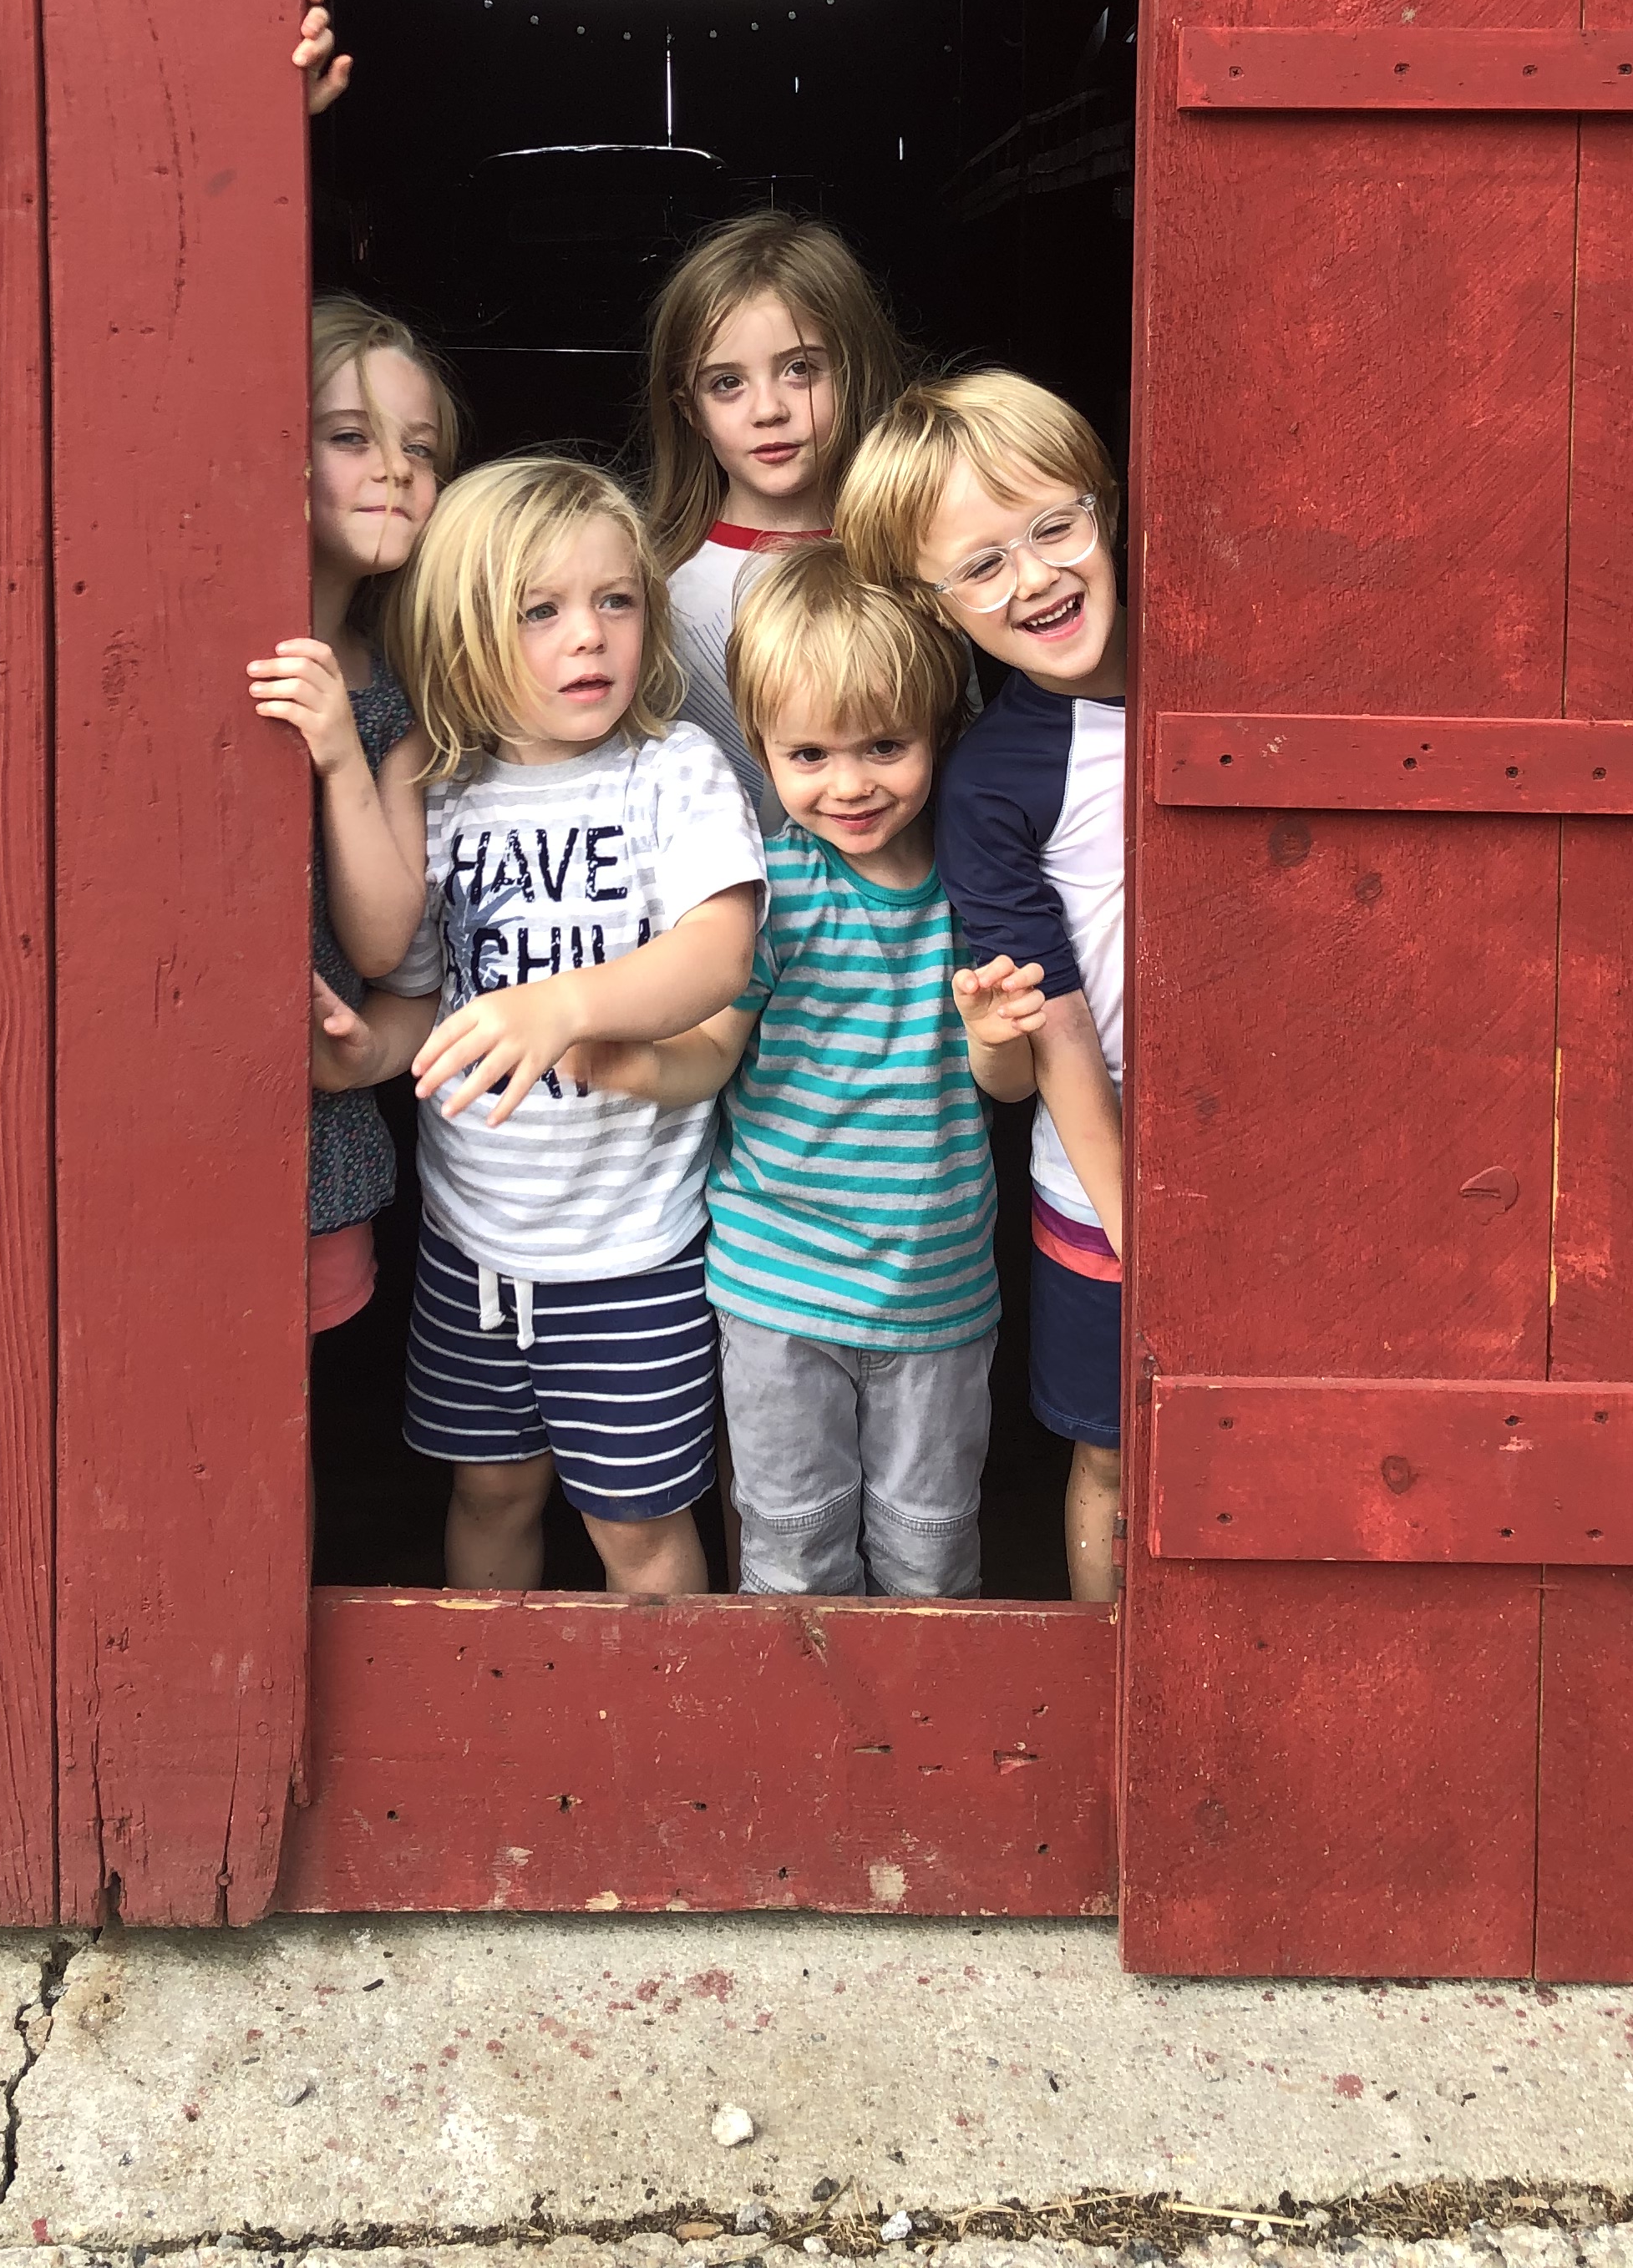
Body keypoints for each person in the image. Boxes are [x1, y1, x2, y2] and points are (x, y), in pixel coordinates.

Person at [570, 548, 1045, 1597]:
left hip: (936, 1295)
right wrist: (630, 1063)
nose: (850, 784)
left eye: (885, 745)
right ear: (763, 751)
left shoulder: (972, 892)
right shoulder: (769, 893)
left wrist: (993, 1032)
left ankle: (914, 1713)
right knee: (792, 1551)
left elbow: (1007, 1092)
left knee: (931, 1553)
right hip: (778, 1286)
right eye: (810, 754)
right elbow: (711, 1054)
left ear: (940, 732)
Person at [369, 455, 767, 1597]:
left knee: (636, 1529)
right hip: (471, 1244)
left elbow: (719, 952)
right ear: (460, 637)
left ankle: (677, 1713)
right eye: (538, 611)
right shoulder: (445, 794)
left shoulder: (670, 772)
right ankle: (486, 1693)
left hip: (629, 1251)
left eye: (615, 600)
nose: (587, 635)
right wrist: (357, 1054)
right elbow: (424, 1004)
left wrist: (567, 1003)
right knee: (491, 1494)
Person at [836, 374, 1128, 1604]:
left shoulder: (1223, 674)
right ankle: (1117, 1678)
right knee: (1113, 1455)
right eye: (983, 565)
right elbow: (1047, 1018)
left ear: (1106, 504)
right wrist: (1134, 1217)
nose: (1037, 578)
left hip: (1285, 1151)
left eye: (1056, 527)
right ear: (931, 603)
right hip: (1100, 1182)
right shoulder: (995, 779)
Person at [244, 296, 457, 1336]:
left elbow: (381, 944)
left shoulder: (395, 698)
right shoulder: (204, 648)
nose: (396, 470)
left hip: (316, 1121)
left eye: (420, 448)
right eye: (349, 437)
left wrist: (339, 751)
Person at [639, 211, 912, 825]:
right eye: (726, 383)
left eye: (800, 369)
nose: (768, 409)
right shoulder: (651, 590)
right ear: (689, 410)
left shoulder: (910, 566)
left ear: (852, 372)